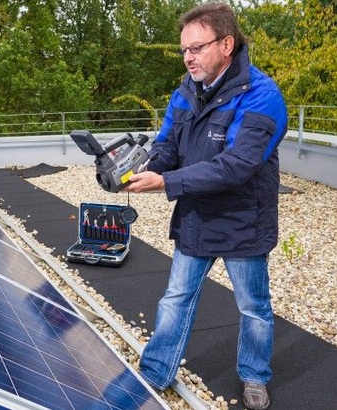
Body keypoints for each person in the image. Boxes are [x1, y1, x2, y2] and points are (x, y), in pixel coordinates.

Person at [123, 2, 288, 409]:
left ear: (226, 44)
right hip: (196, 217)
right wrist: (136, 167)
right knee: (175, 298)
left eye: (196, 48)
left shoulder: (262, 97)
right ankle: (155, 372)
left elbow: (237, 166)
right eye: (184, 50)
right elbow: (167, 146)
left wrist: (167, 181)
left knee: (253, 308)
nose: (188, 58)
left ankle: (254, 376)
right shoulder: (185, 92)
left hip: (242, 223)